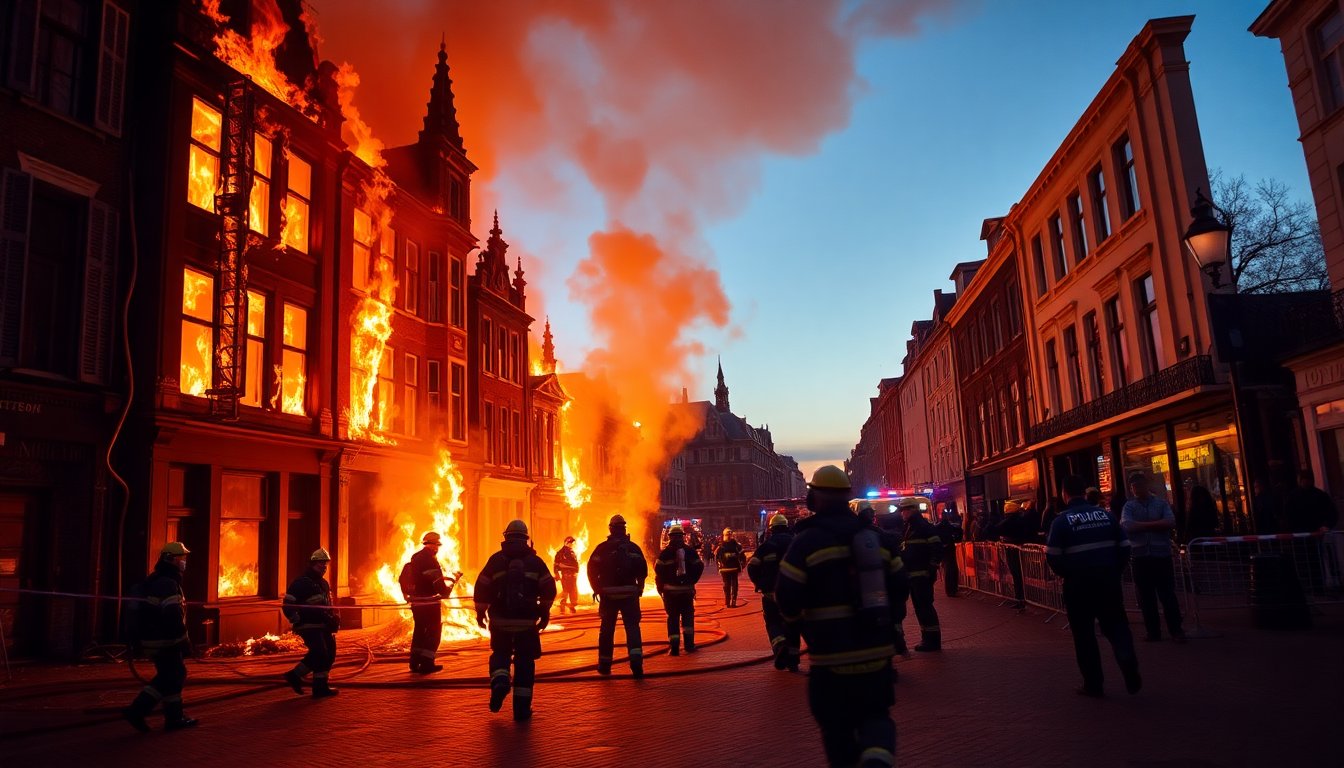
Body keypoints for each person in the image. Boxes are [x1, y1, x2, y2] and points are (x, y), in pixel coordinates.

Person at [776, 465, 901, 767]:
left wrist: (797, 627)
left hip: (831, 662)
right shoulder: (877, 539)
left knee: (837, 731)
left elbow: (786, 598)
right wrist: (889, 623)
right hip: (877, 655)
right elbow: (900, 585)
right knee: (876, 717)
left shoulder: (805, 543)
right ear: (847, 497)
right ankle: (878, 759)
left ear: (812, 498)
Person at [1046, 475, 1141, 697]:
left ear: (1064, 494)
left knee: (1084, 634)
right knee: (1116, 624)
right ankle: (1127, 659)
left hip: (1078, 585)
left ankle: (1094, 683)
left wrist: (1068, 574)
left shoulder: (1061, 521)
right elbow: (1125, 546)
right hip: (1108, 580)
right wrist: (1114, 569)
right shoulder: (1106, 516)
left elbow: (1053, 556)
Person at [473, 520, 556, 721]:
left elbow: (481, 587)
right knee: (525, 662)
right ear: (525, 538)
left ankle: (500, 680)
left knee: (500, 653)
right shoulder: (535, 562)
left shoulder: (496, 560)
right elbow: (548, 588)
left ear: (506, 537)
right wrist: (544, 612)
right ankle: (521, 710)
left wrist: (480, 613)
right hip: (527, 623)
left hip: (500, 621)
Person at [122, 542, 198, 732]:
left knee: (170, 675)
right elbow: (172, 615)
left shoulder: (160, 579)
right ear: (170, 559)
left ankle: (172, 717)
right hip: (163, 640)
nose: (184, 562)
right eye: (181, 558)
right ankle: (139, 711)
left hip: (155, 638)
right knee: (174, 674)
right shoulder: (167, 583)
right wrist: (184, 642)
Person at [1120, 472, 1184, 642]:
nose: (1136, 489)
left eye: (1138, 485)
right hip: (1141, 557)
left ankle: (1176, 630)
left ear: (1146, 485)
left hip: (1161, 555)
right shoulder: (1129, 506)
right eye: (1133, 487)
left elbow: (1170, 522)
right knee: (1146, 597)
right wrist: (1156, 525)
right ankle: (1153, 632)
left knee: (1167, 595)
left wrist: (1142, 526)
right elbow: (1127, 525)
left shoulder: (1160, 503)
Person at [587, 514, 649, 677]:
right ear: (624, 528)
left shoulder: (602, 548)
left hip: (608, 595)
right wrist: (639, 589)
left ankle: (604, 665)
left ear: (610, 529)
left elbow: (591, 570)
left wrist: (597, 588)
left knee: (607, 630)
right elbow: (643, 570)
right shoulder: (634, 548)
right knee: (632, 628)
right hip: (629, 593)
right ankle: (636, 665)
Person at [281, 548, 340, 698]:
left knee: (329, 653)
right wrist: (297, 619)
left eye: (325, 564)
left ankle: (320, 687)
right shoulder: (301, 583)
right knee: (319, 652)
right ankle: (294, 675)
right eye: (320, 564)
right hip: (309, 625)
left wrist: (334, 618)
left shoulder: (323, 584)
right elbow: (288, 604)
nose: (324, 567)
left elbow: (328, 604)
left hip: (323, 624)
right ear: (312, 564)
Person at [746, 513, 801, 670]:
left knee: (773, 622)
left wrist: (760, 583)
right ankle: (794, 661)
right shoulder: (796, 542)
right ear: (786, 527)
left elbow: (752, 566)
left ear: (771, 529)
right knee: (793, 624)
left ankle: (779, 646)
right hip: (793, 594)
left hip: (771, 594)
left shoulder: (767, 545)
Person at [405, 531, 459, 673]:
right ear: (434, 545)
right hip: (429, 603)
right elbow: (439, 587)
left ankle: (414, 662)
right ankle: (427, 663)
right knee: (433, 631)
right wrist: (453, 583)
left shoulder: (415, 557)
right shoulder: (431, 560)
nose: (438, 548)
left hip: (416, 603)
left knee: (419, 630)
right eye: (437, 545)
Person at [899, 498, 944, 652]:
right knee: (920, 608)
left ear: (911, 510)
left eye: (903, 510)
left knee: (925, 607)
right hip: (913, 576)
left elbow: (937, 547)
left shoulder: (923, 527)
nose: (901, 513)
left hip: (922, 576)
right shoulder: (909, 527)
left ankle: (933, 641)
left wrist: (932, 567)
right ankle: (927, 639)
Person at [654, 524, 704, 656]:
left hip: (670, 593)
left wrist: (664, 584)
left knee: (673, 618)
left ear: (670, 537)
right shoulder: (690, 551)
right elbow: (699, 566)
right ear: (683, 536)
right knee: (688, 617)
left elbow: (658, 571)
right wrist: (692, 581)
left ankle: (674, 648)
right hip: (686, 592)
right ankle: (689, 645)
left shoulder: (665, 554)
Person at [993, 500, 1034, 611]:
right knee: (1020, 575)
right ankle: (1023, 598)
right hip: (1020, 550)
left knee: (1017, 575)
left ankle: (1020, 599)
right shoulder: (1022, 519)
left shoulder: (1010, 521)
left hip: (1013, 551)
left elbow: (994, 529)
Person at [1286, 469, 1338, 534]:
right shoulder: (1293, 496)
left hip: (1312, 531)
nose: (1305, 482)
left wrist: (1327, 525)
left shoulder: (1320, 495)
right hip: (1306, 531)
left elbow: (1331, 513)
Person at [934, 509, 964, 598]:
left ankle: (951, 590)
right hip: (949, 549)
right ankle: (952, 590)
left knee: (948, 570)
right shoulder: (950, 526)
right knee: (951, 569)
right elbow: (960, 531)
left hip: (944, 550)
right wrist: (956, 539)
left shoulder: (937, 527)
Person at [715, 528, 746, 607]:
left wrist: (718, 567)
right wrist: (742, 565)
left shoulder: (721, 546)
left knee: (727, 585)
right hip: (732, 568)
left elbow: (716, 557)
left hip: (725, 569)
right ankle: (732, 601)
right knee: (733, 584)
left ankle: (728, 601)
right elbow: (742, 555)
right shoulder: (736, 545)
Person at [553, 536, 581, 614]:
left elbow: (556, 565)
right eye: (571, 543)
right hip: (568, 575)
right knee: (568, 591)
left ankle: (567, 605)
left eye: (572, 543)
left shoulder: (568, 551)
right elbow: (557, 565)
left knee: (569, 592)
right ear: (566, 542)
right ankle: (565, 605)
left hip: (571, 575)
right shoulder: (563, 552)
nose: (572, 544)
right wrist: (557, 573)